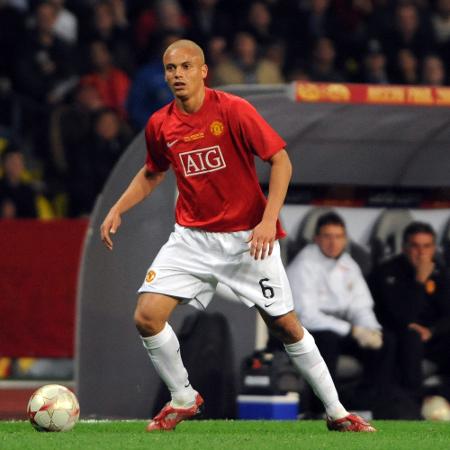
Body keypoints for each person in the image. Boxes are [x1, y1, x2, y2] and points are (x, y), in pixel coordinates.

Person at [100, 39, 375, 433]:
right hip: (192, 239)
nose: (177, 75)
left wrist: (268, 220)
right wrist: (117, 208)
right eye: (170, 69)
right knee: (146, 317)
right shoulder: (161, 123)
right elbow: (152, 172)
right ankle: (182, 398)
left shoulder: (233, 110)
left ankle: (336, 411)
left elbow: (280, 160)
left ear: (203, 70)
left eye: (185, 67)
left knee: (286, 327)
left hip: (248, 240)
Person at [286, 212, 393, 414]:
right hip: (307, 331)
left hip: (342, 330)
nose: (332, 242)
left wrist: (371, 330)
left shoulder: (348, 264)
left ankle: (368, 406)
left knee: (387, 342)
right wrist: (352, 330)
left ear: (345, 239)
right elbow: (306, 316)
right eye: (327, 236)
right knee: (327, 341)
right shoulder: (303, 265)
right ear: (317, 238)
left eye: (338, 237)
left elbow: (361, 306)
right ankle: (323, 410)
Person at [369, 221, 450, 402]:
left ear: (434, 248)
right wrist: (419, 282)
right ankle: (414, 402)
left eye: (427, 246)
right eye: (415, 246)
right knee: (410, 336)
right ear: (405, 247)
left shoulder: (441, 272)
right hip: (401, 335)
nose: (421, 252)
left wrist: (432, 331)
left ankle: (443, 401)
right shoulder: (386, 272)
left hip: (432, 337)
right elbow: (399, 315)